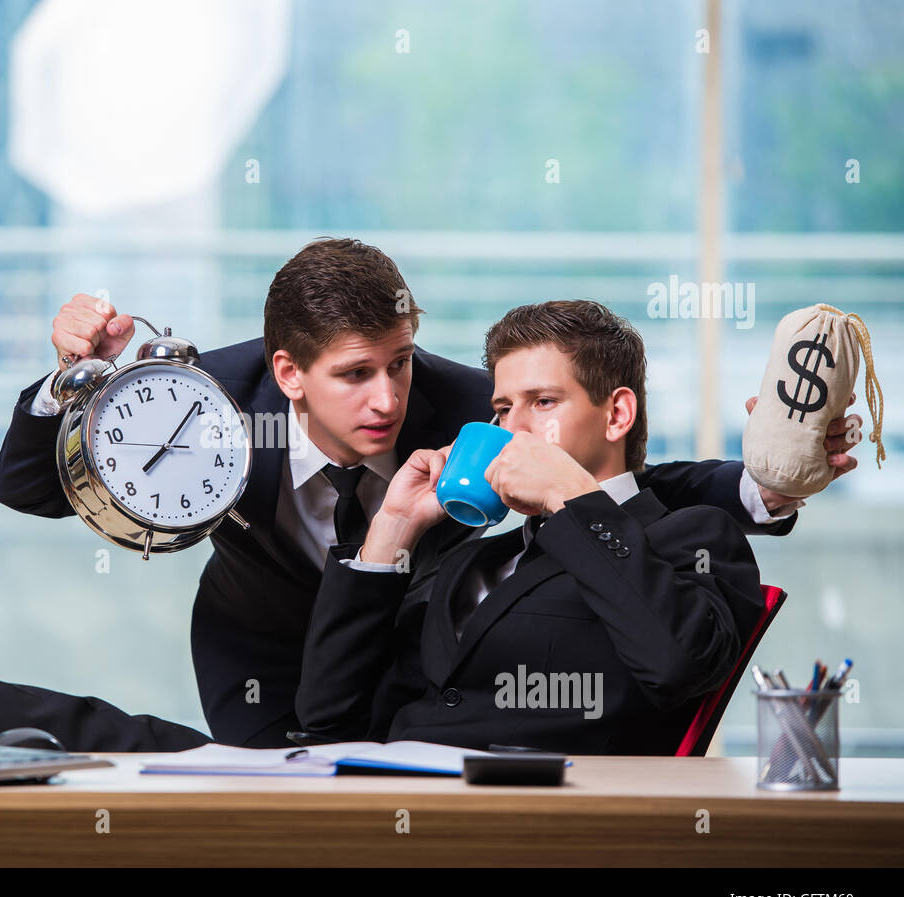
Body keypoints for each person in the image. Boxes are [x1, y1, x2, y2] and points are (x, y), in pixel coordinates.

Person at [0, 238, 840, 749]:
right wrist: (73, 377)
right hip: (260, 651)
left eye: (398, 362)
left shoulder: (477, 405)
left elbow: (614, 475)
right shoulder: (202, 405)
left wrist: (760, 485)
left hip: (403, 671)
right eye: (355, 375)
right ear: (289, 373)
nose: (388, 400)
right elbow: (26, 484)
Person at [294, 300, 776, 753]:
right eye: (503, 409)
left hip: (541, 823)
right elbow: (328, 717)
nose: (513, 430)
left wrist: (572, 498)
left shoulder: (695, 538)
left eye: (542, 402)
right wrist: (392, 531)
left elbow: (678, 665)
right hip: (397, 805)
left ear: (617, 415)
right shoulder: (470, 558)